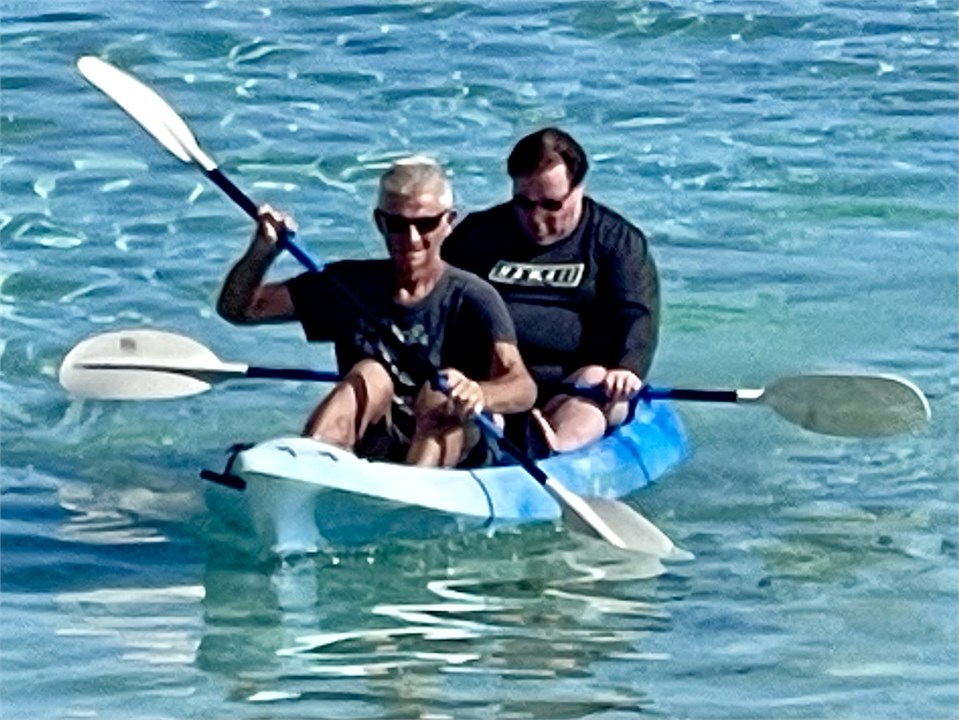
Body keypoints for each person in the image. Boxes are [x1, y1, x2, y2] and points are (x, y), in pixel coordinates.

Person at [217, 157, 536, 468]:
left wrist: (479, 392)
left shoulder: (473, 296)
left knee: (439, 396)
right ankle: (310, 463)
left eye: (425, 224)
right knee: (369, 374)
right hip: (381, 438)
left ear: (448, 222)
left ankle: (413, 486)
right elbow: (240, 309)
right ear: (379, 222)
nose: (411, 239)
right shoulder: (348, 285)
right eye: (397, 225)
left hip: (453, 443)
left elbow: (523, 387)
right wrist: (262, 251)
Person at [442, 127, 659, 455]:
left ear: (579, 189)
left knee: (597, 387)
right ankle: (486, 439)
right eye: (524, 203)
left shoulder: (617, 241)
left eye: (551, 205)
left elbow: (637, 314)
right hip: (493, 381)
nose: (537, 219)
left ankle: (555, 446)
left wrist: (628, 369)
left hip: (576, 386)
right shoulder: (477, 235)